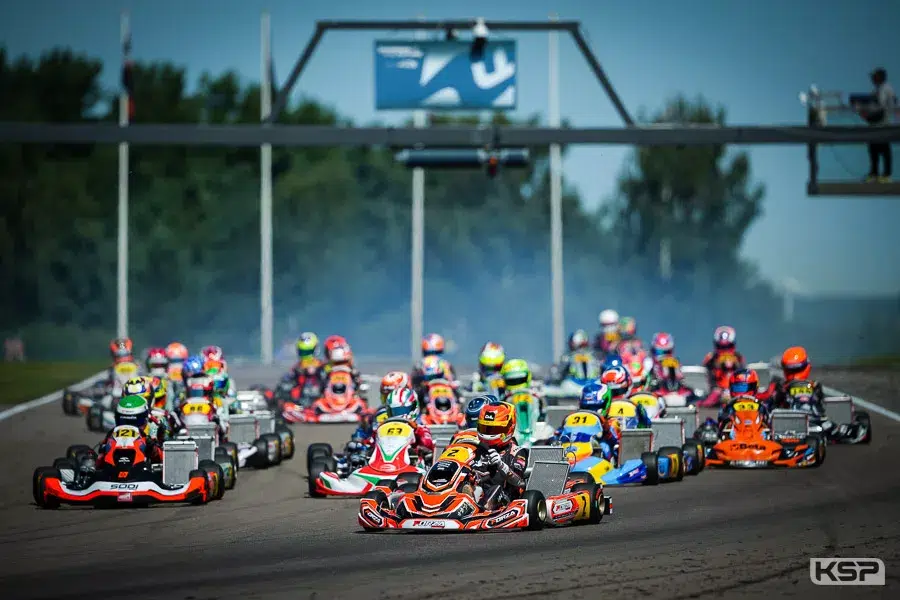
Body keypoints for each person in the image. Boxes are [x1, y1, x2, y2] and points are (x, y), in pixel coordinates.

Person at [464, 402, 529, 510]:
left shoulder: (518, 452)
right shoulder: (478, 449)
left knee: (495, 488)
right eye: (485, 428)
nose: (488, 433)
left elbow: (520, 482)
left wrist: (501, 465)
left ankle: (481, 508)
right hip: (478, 490)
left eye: (494, 429)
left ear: (508, 428)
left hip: (506, 497)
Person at [96, 395, 165, 466]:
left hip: (142, 471)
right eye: (124, 421)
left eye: (134, 421)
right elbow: (99, 459)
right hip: (111, 470)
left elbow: (163, 458)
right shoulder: (112, 434)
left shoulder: (153, 429)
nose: (128, 426)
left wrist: (152, 448)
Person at [857, 68, 895, 183]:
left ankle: (886, 175)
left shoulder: (885, 89)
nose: (872, 78)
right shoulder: (877, 90)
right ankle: (874, 174)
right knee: (874, 149)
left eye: (874, 76)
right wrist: (863, 109)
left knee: (883, 149)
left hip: (882, 124)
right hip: (876, 125)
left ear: (880, 77)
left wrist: (868, 115)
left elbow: (881, 107)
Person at [383, 387, 434, 457]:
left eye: (402, 410)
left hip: (411, 463)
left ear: (413, 407)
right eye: (396, 411)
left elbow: (428, 444)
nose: (399, 415)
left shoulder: (420, 429)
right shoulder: (384, 428)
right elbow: (371, 443)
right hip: (386, 461)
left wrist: (416, 431)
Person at [702, 325, 746, 390]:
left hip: (736, 390)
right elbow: (705, 373)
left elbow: (743, 373)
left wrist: (733, 365)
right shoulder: (710, 357)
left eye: (728, 346)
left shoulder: (738, 357)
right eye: (721, 347)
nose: (725, 350)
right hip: (715, 391)